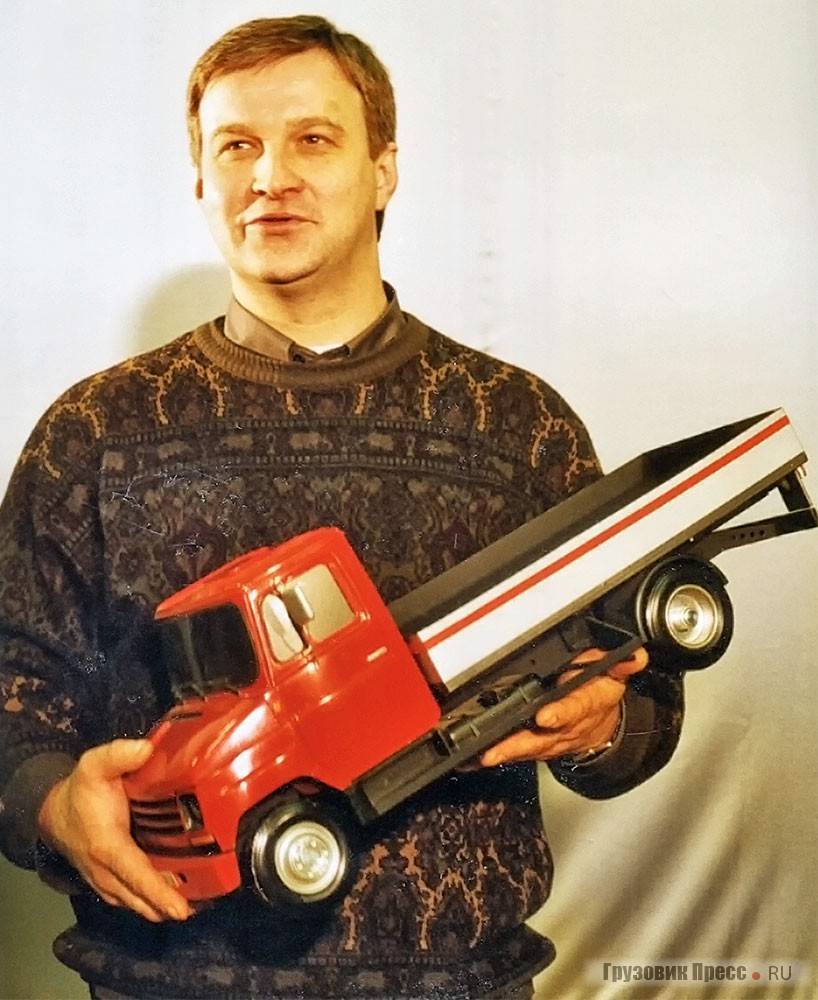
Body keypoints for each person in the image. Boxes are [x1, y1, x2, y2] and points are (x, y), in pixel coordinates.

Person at [0, 15, 683, 999]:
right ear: (200, 181)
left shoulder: (516, 427)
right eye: (236, 145)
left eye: (312, 139)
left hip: (464, 984)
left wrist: (600, 723)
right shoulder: (95, 432)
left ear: (384, 169)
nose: (270, 175)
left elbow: (646, 697)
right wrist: (50, 803)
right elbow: (12, 680)